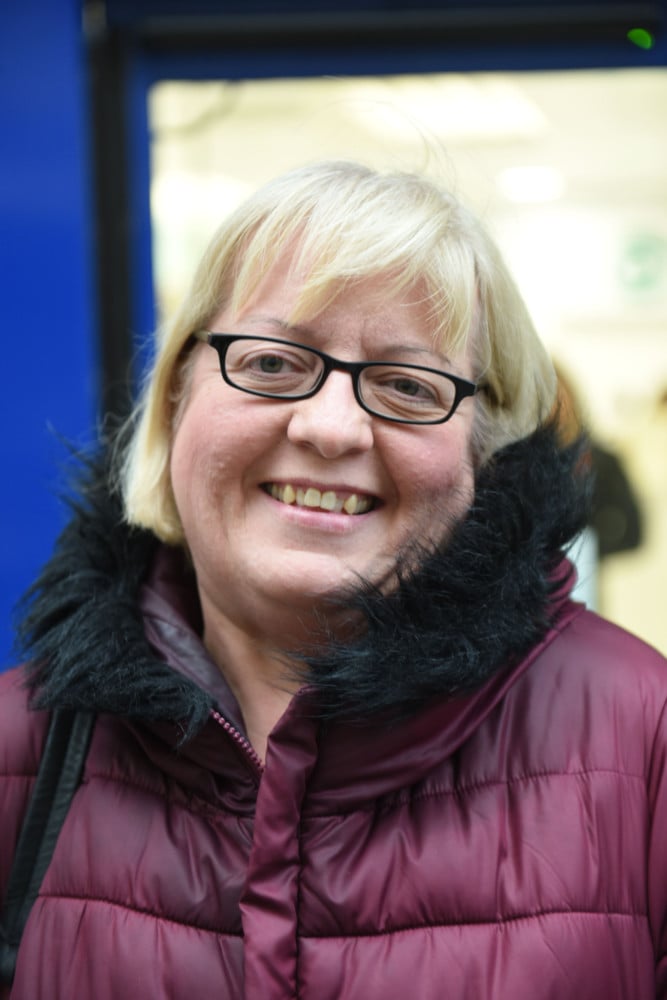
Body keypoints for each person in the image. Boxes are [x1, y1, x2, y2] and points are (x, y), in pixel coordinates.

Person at [1, 160, 666, 1000]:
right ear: (174, 398)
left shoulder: (643, 738)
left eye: (407, 385)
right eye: (273, 363)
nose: (330, 428)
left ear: (485, 451)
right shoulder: (20, 750)